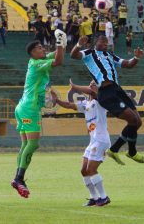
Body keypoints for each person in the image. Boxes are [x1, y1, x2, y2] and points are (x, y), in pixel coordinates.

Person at [70, 35, 144, 165]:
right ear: (96, 42)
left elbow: (128, 64)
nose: (106, 43)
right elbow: (74, 55)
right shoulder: (90, 53)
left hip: (117, 89)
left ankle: (125, 151)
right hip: (106, 92)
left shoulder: (110, 55)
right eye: (102, 41)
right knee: (132, 120)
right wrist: (78, 45)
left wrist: (136, 58)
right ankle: (120, 150)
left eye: (107, 42)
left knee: (138, 122)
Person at [11, 30, 67, 198]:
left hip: (22, 107)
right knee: (33, 144)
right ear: (33, 53)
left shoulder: (36, 61)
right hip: (30, 108)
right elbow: (58, 61)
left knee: (25, 145)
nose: (43, 49)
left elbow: (56, 54)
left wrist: (63, 44)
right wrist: (59, 42)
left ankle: (18, 178)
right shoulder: (37, 64)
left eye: (43, 47)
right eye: (40, 48)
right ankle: (19, 178)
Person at [51, 79, 111, 207]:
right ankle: (94, 198)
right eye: (90, 84)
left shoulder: (101, 99)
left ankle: (104, 197)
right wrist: (57, 101)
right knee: (84, 170)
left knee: (91, 169)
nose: (91, 85)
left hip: (101, 140)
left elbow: (92, 93)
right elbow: (69, 105)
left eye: (94, 84)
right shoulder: (86, 104)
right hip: (93, 141)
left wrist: (75, 86)